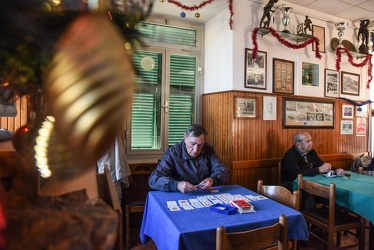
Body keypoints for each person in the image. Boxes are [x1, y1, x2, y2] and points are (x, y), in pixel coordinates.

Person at [148, 124, 230, 193]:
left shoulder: (208, 149)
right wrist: (176, 185)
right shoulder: (172, 153)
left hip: (205, 194)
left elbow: (223, 171)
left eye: (200, 145)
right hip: (181, 195)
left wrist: (213, 180)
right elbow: (154, 179)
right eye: (192, 144)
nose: (196, 150)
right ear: (185, 139)